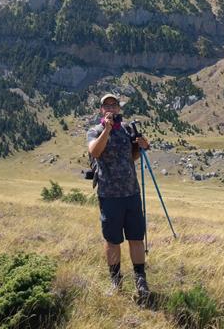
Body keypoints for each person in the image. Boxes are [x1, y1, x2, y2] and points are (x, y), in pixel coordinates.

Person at [87, 93, 151, 298]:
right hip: (109, 195)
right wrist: (107, 129)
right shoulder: (95, 131)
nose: (110, 109)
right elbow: (95, 152)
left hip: (131, 192)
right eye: (106, 106)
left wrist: (141, 146)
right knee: (113, 240)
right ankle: (116, 282)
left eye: (114, 105)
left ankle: (141, 281)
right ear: (101, 110)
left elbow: (131, 156)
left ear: (118, 109)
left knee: (136, 238)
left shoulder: (126, 129)